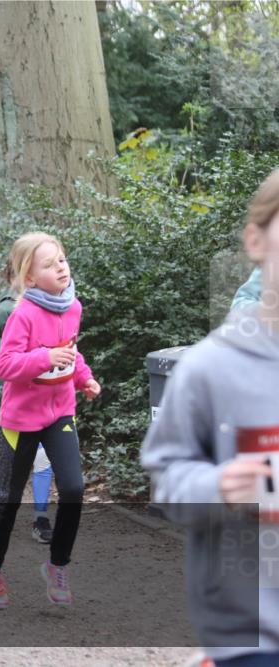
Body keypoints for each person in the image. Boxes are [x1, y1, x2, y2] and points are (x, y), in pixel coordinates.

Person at [142, 168, 279, 666]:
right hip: (254, 634)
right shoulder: (210, 368)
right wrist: (218, 486)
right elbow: (167, 479)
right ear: (255, 241)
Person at [0, 232, 101, 609]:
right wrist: (44, 358)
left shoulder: (72, 306)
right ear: (29, 277)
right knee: (9, 499)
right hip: (21, 419)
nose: (61, 267)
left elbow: (72, 351)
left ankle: (57, 566)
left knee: (74, 489)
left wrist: (84, 378)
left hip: (60, 412)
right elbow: (5, 365)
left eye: (62, 259)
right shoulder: (23, 313)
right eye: (49, 264)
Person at [0, 262, 54, 544]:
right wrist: (18, 353)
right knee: (18, 460)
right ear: (12, 278)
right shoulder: (7, 308)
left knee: (44, 457)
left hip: (47, 395)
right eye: (22, 274)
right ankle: (3, 476)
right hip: (15, 396)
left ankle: (41, 519)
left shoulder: (52, 305)